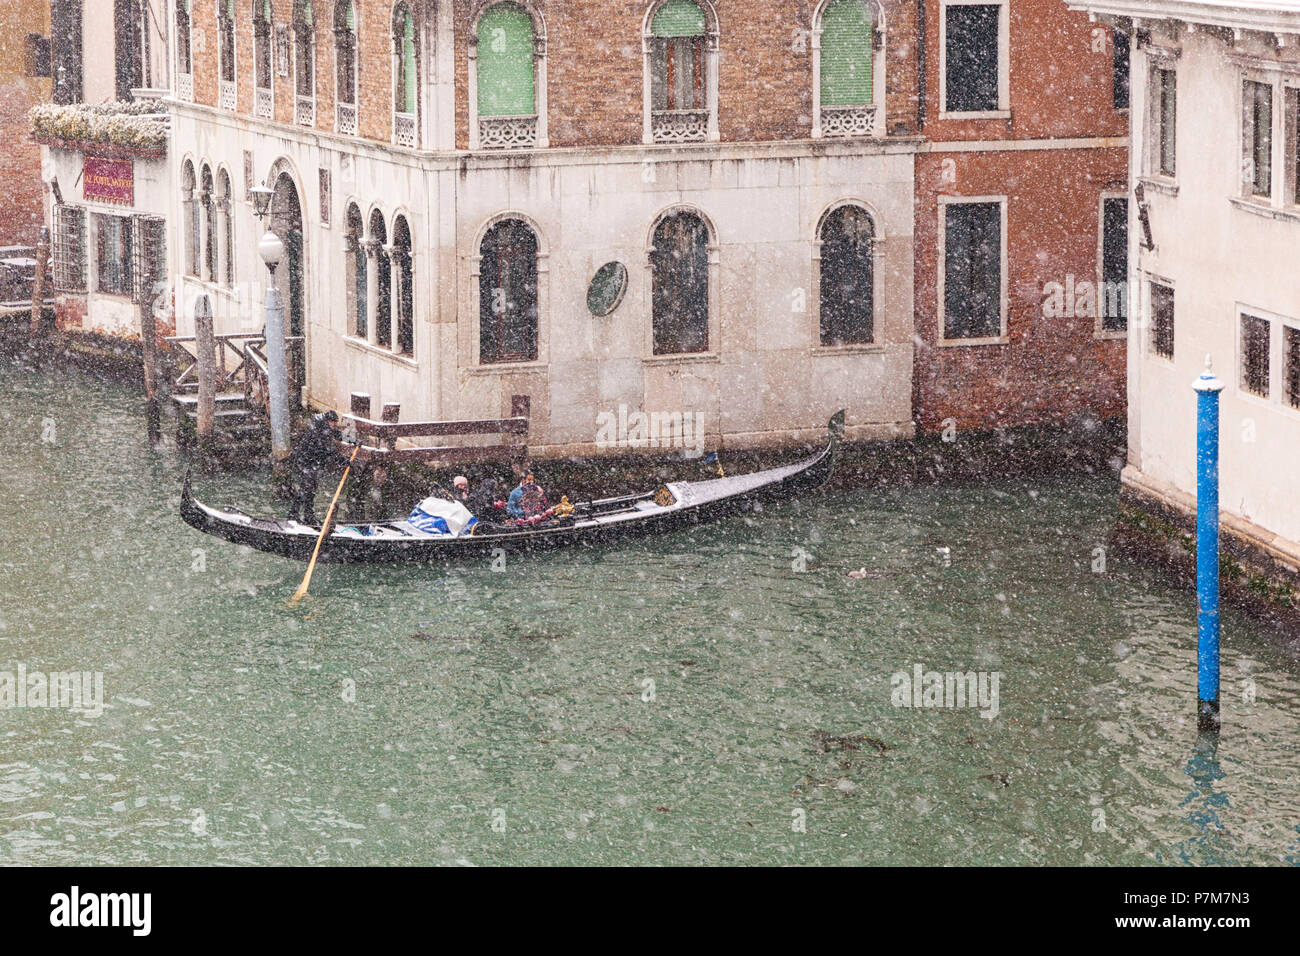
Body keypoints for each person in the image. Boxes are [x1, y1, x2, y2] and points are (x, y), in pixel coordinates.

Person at [287, 410, 354, 525]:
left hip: (311, 463)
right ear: (328, 421)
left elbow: (337, 434)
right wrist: (344, 461)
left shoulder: (323, 426)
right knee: (307, 490)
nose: (335, 425)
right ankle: (297, 515)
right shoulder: (320, 432)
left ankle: (304, 515)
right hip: (306, 463)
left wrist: (352, 441)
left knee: (309, 490)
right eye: (334, 423)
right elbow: (329, 451)